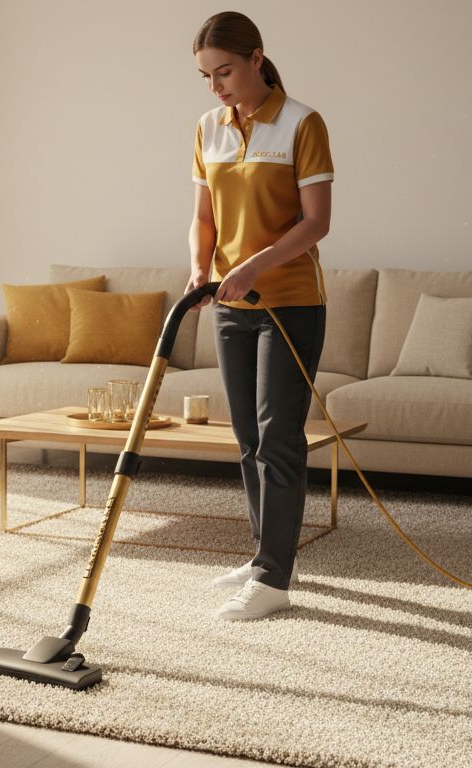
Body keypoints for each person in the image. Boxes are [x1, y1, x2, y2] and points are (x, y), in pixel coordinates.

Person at [187, 11, 333, 620]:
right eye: (206, 76)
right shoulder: (208, 127)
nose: (216, 86)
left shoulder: (302, 122)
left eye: (224, 71)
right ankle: (263, 557)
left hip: (290, 303)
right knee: (247, 436)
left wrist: (252, 267)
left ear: (255, 59)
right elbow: (204, 217)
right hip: (230, 303)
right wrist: (200, 267)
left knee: (279, 438)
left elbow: (316, 222)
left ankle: (275, 578)